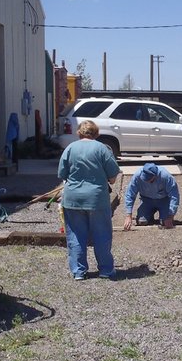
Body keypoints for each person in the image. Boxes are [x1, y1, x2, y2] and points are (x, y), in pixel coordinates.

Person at [57, 120, 120, 280]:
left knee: (76, 236)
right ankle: (106, 270)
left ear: (79, 133)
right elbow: (112, 178)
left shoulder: (70, 148)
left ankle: (78, 271)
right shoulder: (102, 149)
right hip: (96, 199)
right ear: (96, 133)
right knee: (102, 235)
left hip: (73, 199)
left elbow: (62, 174)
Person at [123, 162, 180, 230]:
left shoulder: (166, 176)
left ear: (155, 176)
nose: (146, 181)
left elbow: (174, 195)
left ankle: (163, 216)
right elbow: (130, 194)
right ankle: (148, 215)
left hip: (163, 200)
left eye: (149, 179)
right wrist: (128, 215)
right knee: (141, 222)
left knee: (165, 223)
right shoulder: (137, 176)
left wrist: (170, 216)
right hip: (146, 201)